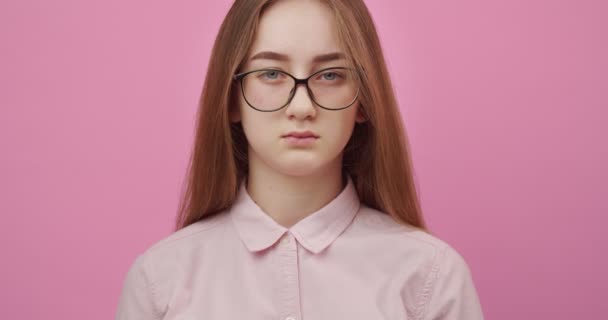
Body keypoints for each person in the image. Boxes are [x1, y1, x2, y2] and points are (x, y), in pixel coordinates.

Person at [115, 0, 484, 319]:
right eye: (271, 73)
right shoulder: (159, 282)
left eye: (330, 75)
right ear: (231, 98)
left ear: (364, 101)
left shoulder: (432, 279)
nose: (302, 107)